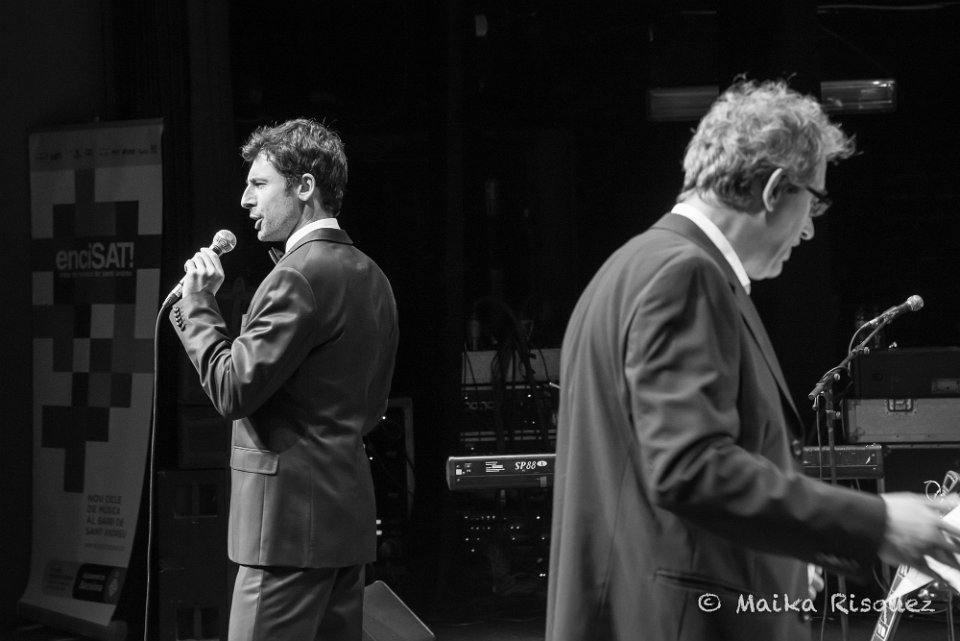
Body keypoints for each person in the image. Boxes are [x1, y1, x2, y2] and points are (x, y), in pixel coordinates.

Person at [545, 80, 960, 641]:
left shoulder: (630, 267)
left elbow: (654, 498)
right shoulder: (684, 275)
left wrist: (785, 561)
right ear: (772, 190)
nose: (809, 228)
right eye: (814, 201)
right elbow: (692, 470)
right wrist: (880, 521)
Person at [169, 118, 398, 641]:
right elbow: (372, 407)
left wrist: (197, 304)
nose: (246, 200)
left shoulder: (296, 275)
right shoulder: (373, 277)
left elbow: (232, 389)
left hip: (286, 532)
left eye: (259, 183)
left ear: (305, 187)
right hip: (344, 528)